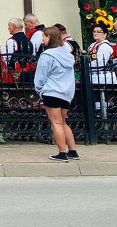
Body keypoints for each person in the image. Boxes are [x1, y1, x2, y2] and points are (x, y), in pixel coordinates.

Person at [35, 25, 78, 161]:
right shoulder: (67, 56)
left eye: (44, 37)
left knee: (56, 122)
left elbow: (41, 76)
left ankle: (62, 153)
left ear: (49, 37)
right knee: (63, 122)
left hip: (52, 91)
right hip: (66, 93)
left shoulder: (47, 55)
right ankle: (73, 151)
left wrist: (40, 90)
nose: (43, 39)